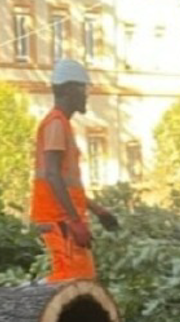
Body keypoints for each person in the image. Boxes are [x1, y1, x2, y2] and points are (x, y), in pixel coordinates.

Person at [30, 59, 119, 281]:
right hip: (59, 219)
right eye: (83, 89)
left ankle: (33, 295)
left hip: (64, 218)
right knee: (71, 279)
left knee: (81, 277)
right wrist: (74, 221)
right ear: (69, 89)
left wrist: (98, 210)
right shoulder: (56, 124)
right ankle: (28, 296)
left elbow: (67, 184)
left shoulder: (62, 124)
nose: (86, 95)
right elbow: (52, 175)